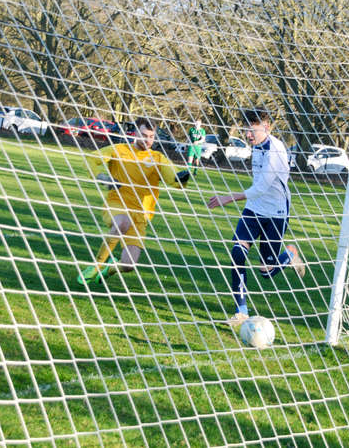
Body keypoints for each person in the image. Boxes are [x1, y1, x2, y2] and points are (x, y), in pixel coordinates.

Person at [206, 107, 305, 327]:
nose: (248, 136)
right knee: (237, 253)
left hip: (276, 213)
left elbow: (261, 186)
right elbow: (257, 191)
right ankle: (241, 312)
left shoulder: (275, 149)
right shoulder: (257, 146)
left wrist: (228, 198)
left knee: (266, 272)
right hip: (253, 209)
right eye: (246, 131)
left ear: (267, 127)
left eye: (252, 131)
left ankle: (289, 254)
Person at [78, 117, 191, 284]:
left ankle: (109, 268)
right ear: (135, 133)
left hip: (140, 215)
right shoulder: (119, 149)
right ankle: (96, 265)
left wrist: (181, 179)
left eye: (151, 136)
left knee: (128, 265)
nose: (147, 140)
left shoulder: (157, 158)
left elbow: (172, 178)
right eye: (144, 135)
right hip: (116, 204)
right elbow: (91, 159)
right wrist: (101, 176)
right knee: (122, 222)